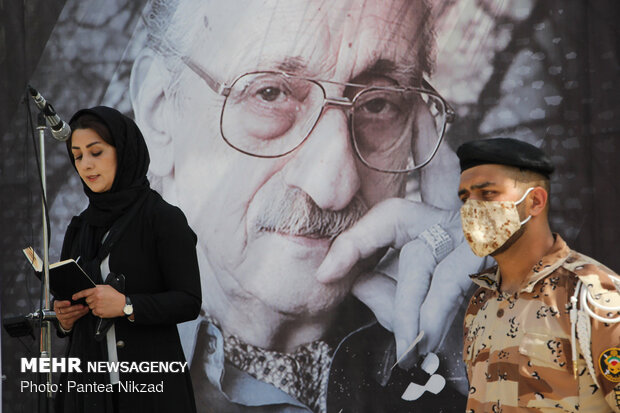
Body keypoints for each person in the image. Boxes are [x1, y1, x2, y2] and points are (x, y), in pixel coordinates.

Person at [130, 1, 483, 411]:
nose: (332, 185)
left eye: (378, 103)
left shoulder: (460, 348)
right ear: (159, 112)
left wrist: (508, 360)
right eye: (270, 93)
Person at [53, 106, 202, 412]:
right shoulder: (80, 227)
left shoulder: (162, 218)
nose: (86, 165)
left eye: (96, 152)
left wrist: (126, 305)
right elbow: (68, 303)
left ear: (124, 152)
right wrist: (64, 319)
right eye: (78, 156)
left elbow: (188, 300)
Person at [457, 137, 620, 412]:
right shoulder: (481, 303)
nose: (471, 209)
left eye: (487, 194)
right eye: (464, 198)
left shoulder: (593, 295)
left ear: (534, 201)